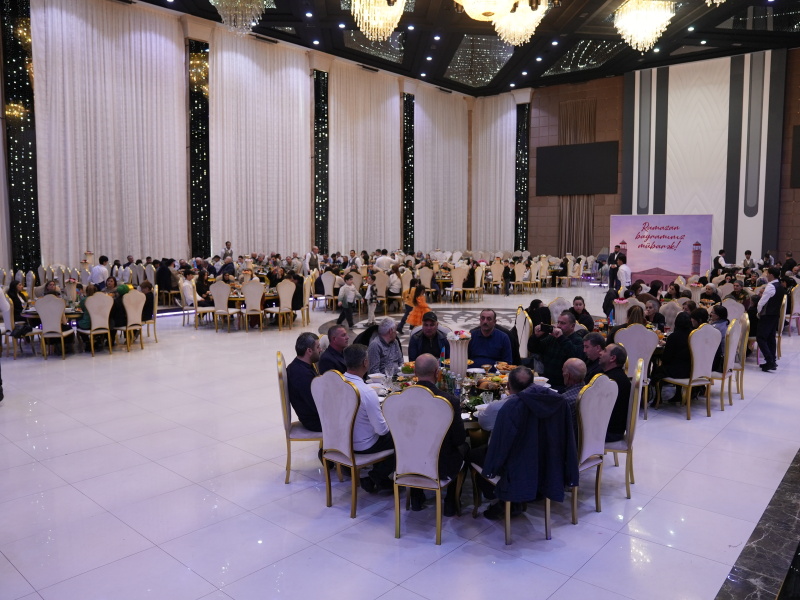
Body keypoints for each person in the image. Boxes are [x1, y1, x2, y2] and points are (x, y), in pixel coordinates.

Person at [479, 371, 579, 521]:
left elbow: (494, 441)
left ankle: (496, 499)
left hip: (518, 470)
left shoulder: (508, 406)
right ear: (533, 383)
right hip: (549, 465)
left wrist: (491, 469)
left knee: (475, 454)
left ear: (508, 386)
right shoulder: (557, 402)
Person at [413, 354, 469, 514]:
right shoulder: (449, 401)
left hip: (408, 462)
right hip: (440, 465)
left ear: (415, 373)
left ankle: (416, 498)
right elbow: (459, 439)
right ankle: (451, 502)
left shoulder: (399, 398)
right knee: (465, 448)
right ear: (437, 373)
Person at [342, 344, 395, 493]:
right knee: (402, 437)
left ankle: (379, 478)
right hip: (363, 444)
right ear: (365, 362)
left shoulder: (336, 383)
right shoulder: (366, 392)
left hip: (340, 442)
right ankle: (377, 477)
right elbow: (382, 430)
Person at [528, 311, 584, 389]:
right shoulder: (552, 337)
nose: (559, 326)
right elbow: (534, 349)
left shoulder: (578, 340)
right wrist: (536, 336)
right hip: (547, 381)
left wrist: (561, 338)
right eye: (558, 322)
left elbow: (575, 356)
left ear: (572, 326)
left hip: (564, 385)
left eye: (563, 323)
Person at [477, 366, 535, 433]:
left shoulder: (497, 407)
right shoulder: (541, 403)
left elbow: (483, 424)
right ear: (532, 385)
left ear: (508, 385)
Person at [650, 312, 693, 400]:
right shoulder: (693, 335)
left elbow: (666, 358)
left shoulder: (674, 337)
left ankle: (657, 398)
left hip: (678, 371)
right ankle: (678, 394)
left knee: (658, 370)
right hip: (692, 370)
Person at [286, 332, 322, 432]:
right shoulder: (301, 374)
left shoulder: (300, 365)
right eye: (318, 347)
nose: (321, 350)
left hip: (315, 416)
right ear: (309, 351)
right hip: (316, 421)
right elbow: (314, 405)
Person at [598, 344, 631, 443]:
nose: (600, 353)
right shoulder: (619, 376)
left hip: (608, 432)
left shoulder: (610, 381)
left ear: (612, 358)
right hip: (613, 430)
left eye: (604, 351)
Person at [756, 267, 786, 372]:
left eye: (767, 274)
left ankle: (770, 361)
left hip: (767, 314)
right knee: (770, 338)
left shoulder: (771, 286)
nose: (766, 275)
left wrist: (758, 311)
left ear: (771, 275)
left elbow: (762, 301)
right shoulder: (780, 286)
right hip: (775, 314)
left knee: (760, 338)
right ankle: (772, 360)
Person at [561, 358, 588, 440]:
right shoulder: (591, 393)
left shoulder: (565, 400)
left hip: (570, 441)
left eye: (563, 371)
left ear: (567, 375)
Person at [709, 304, 729, 372]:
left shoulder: (716, 327)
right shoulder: (725, 323)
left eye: (712, 312)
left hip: (719, 360)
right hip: (727, 357)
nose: (710, 314)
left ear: (717, 316)